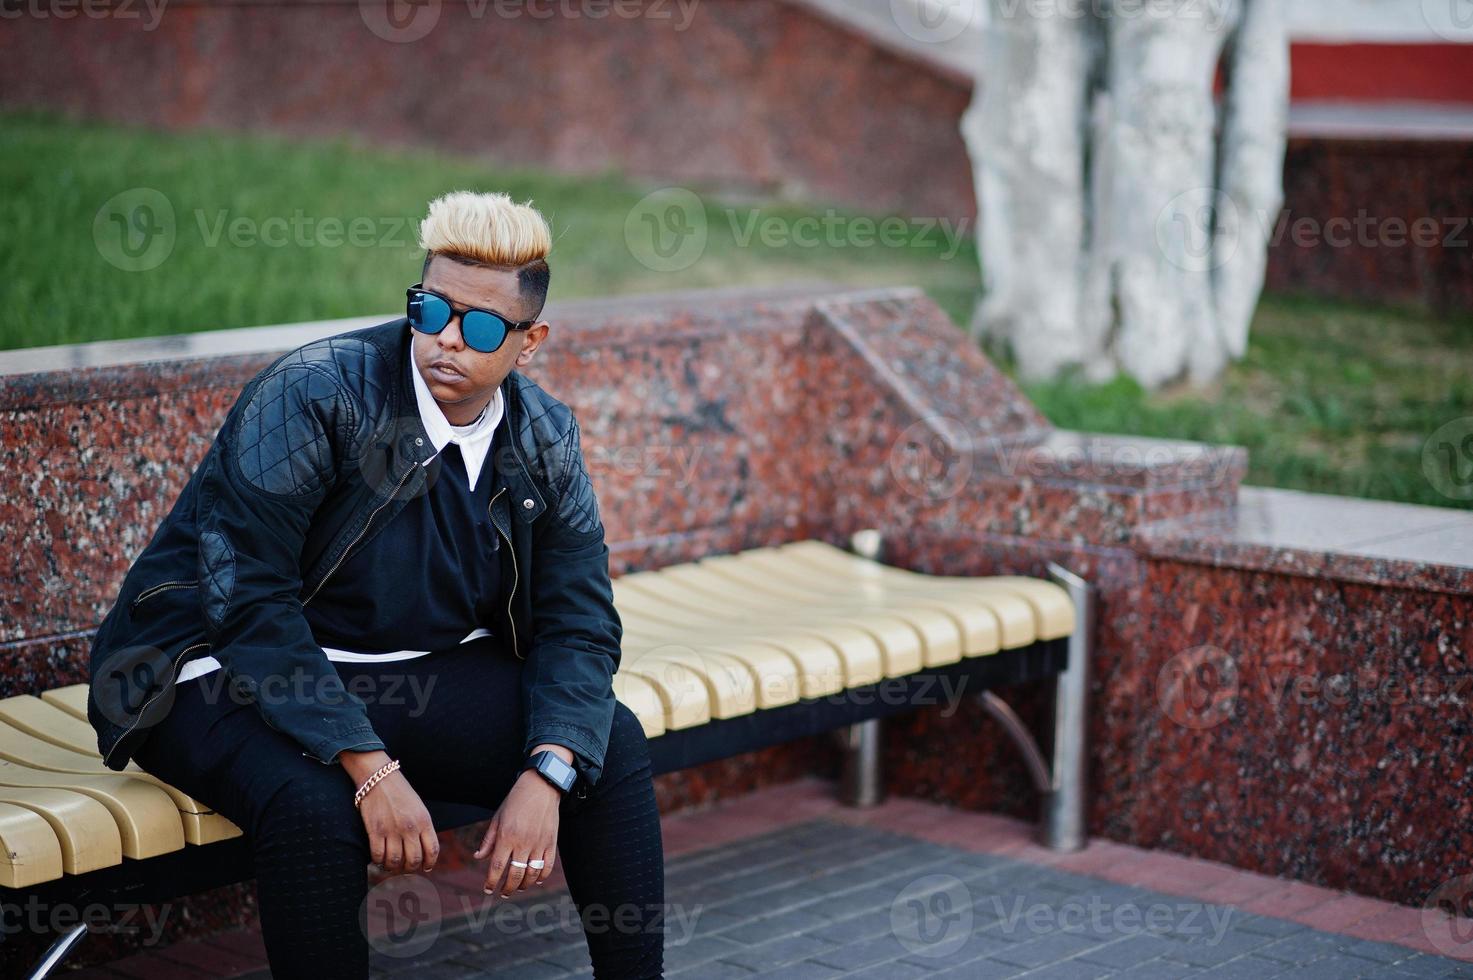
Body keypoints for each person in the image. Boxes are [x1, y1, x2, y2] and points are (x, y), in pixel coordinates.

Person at [85, 191, 664, 978]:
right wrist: (368, 764)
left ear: (530, 343)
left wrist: (546, 771)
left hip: (393, 672)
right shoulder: (316, 394)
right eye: (430, 310)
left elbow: (579, 623)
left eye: (483, 327)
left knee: (608, 741)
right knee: (313, 805)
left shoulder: (544, 434)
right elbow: (245, 603)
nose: (446, 341)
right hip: (201, 667)